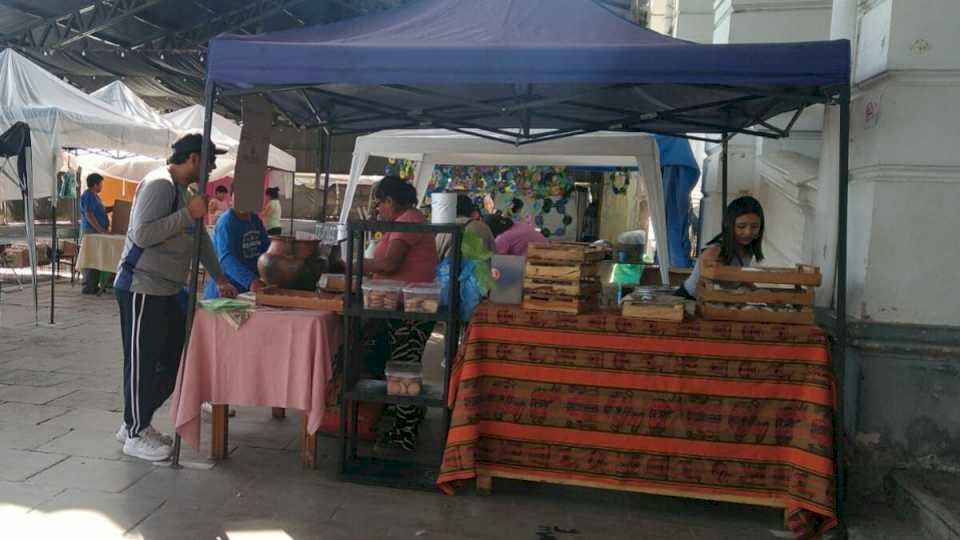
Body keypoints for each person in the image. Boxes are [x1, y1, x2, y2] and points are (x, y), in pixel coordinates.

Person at [113, 133, 238, 462]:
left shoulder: (187, 193)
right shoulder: (159, 185)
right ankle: (136, 431)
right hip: (142, 286)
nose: (211, 168)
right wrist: (187, 214)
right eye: (209, 162)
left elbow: (201, 242)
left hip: (169, 289)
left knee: (173, 360)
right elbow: (142, 233)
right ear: (194, 159)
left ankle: (133, 421)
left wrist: (220, 276)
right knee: (141, 361)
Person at [361, 176, 438, 456]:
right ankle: (408, 419)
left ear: (390, 201)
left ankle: (404, 434)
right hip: (405, 306)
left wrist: (352, 263)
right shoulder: (408, 219)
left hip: (412, 309)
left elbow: (390, 264)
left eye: (379, 204)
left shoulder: (408, 221)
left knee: (403, 367)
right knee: (401, 365)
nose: (378, 210)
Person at [678, 195, 765, 299]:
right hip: (689, 300)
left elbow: (741, 278)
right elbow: (700, 290)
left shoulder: (748, 250)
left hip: (717, 302)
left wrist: (761, 293)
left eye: (754, 227)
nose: (748, 232)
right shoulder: (714, 252)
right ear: (729, 225)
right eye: (741, 226)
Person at [204, 207, 269, 299]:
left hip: (248, 292)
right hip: (226, 292)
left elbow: (267, 250)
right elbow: (226, 258)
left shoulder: (255, 220)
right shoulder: (226, 221)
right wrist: (251, 281)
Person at [79, 173, 113, 294]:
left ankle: (93, 284)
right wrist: (100, 229)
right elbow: (89, 214)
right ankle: (88, 285)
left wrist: (114, 207)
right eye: (101, 184)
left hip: (97, 231)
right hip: (92, 231)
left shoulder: (95, 196)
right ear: (95, 184)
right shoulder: (88, 195)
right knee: (91, 258)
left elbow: (100, 211)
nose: (102, 186)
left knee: (97, 258)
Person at [435, 194, 496, 261]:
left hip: (450, 269)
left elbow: (436, 254)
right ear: (471, 210)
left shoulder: (446, 228)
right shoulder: (483, 227)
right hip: (478, 270)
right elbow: (494, 253)